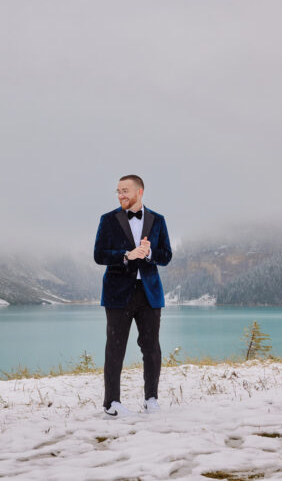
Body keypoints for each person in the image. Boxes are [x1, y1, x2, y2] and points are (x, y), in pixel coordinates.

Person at [93, 174, 173, 417]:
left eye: (125, 190)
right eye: (118, 191)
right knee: (114, 349)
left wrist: (148, 255)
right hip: (118, 294)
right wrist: (127, 255)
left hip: (149, 293)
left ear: (140, 192)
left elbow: (166, 255)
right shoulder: (107, 220)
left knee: (152, 349)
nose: (120, 195)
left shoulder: (157, 220)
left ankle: (151, 400)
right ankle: (111, 404)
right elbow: (99, 255)